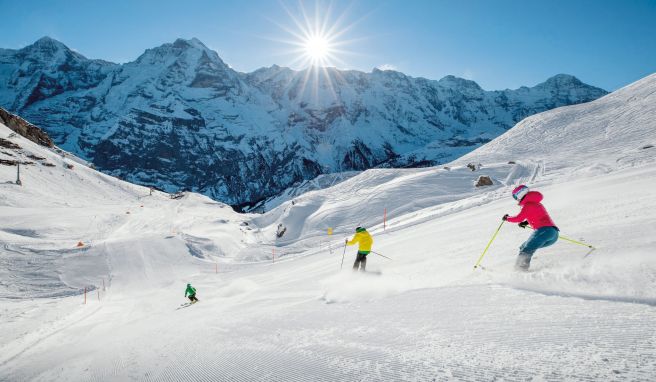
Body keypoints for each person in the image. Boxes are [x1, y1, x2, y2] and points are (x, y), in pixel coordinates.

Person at [503, 185, 559, 271]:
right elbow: (539, 216)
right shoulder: (537, 203)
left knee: (526, 249)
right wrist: (526, 223)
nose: (516, 199)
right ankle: (521, 268)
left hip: (543, 231)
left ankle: (520, 270)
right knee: (524, 247)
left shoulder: (528, 205)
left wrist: (507, 218)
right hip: (553, 234)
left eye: (515, 196)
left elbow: (518, 218)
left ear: (520, 194)